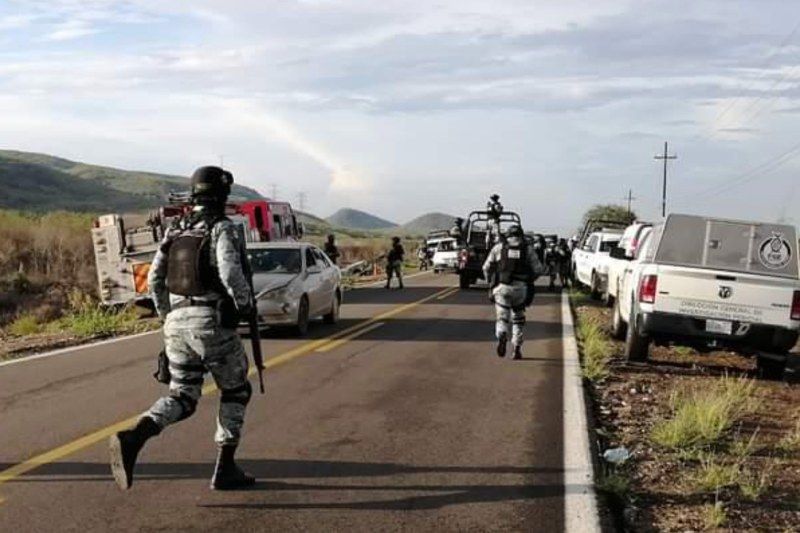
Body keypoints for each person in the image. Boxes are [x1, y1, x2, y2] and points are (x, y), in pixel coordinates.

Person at [109, 166, 257, 492]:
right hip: (212, 322)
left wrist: (168, 317)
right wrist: (244, 306)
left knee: (183, 395)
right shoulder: (222, 228)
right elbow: (231, 272)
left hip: (176, 323)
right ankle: (226, 467)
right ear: (222, 194)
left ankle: (135, 436)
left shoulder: (174, 231)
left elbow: (155, 278)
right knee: (236, 391)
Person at [483, 224, 542, 359]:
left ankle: (502, 333)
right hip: (521, 289)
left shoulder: (499, 247)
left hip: (502, 288)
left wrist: (489, 282)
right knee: (518, 319)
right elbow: (539, 269)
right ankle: (516, 348)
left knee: (502, 318)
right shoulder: (528, 249)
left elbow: (486, 267)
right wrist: (529, 280)